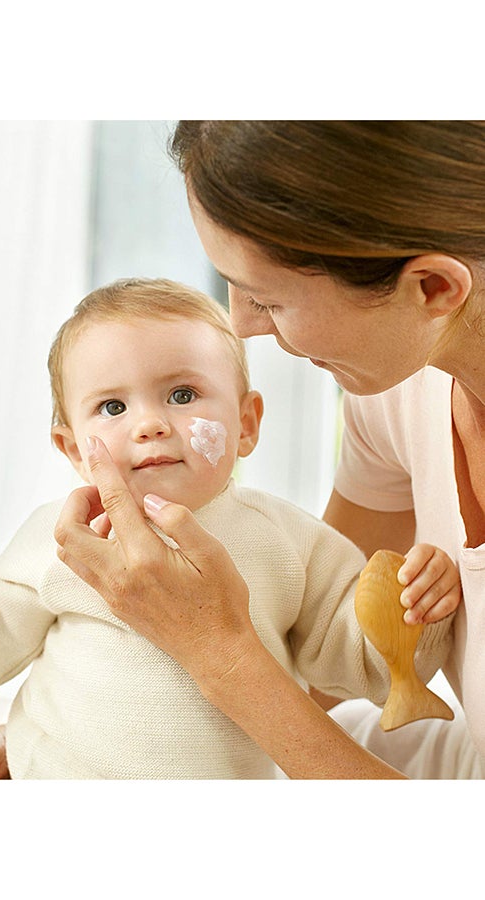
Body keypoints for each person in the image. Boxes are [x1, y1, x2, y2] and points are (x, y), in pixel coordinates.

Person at [0, 278, 458, 779]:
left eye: (182, 395)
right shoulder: (64, 538)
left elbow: (355, 662)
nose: (150, 424)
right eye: (113, 406)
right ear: (72, 448)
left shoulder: (284, 540)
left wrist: (413, 609)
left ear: (246, 423)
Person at [49, 121, 485, 780]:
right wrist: (72, 734)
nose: (242, 325)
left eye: (268, 298)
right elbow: (315, 651)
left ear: (432, 289)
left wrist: (220, 655)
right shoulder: (398, 387)